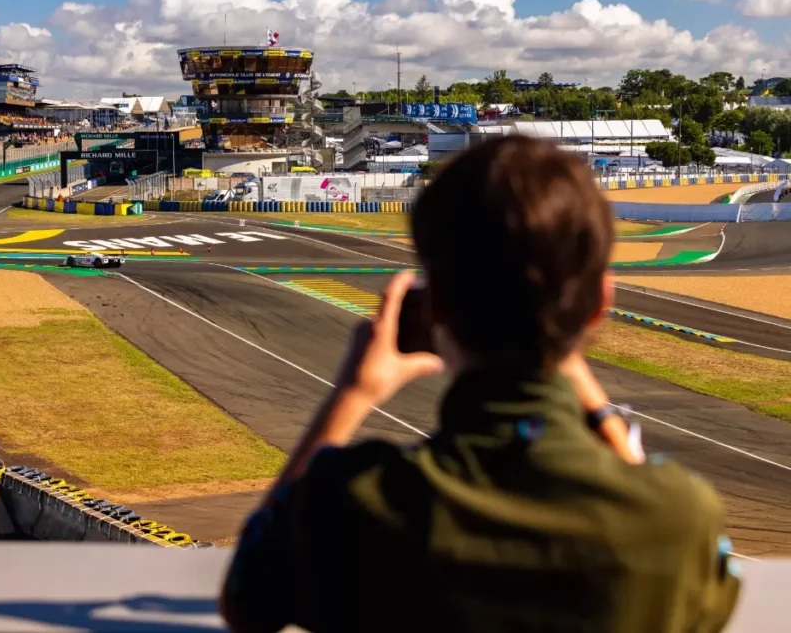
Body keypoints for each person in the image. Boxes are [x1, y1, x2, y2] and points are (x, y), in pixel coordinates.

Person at [220, 136, 741, 633]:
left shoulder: (360, 500)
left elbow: (247, 596)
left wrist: (352, 394)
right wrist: (592, 397)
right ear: (599, 306)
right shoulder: (678, 516)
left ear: (436, 306)